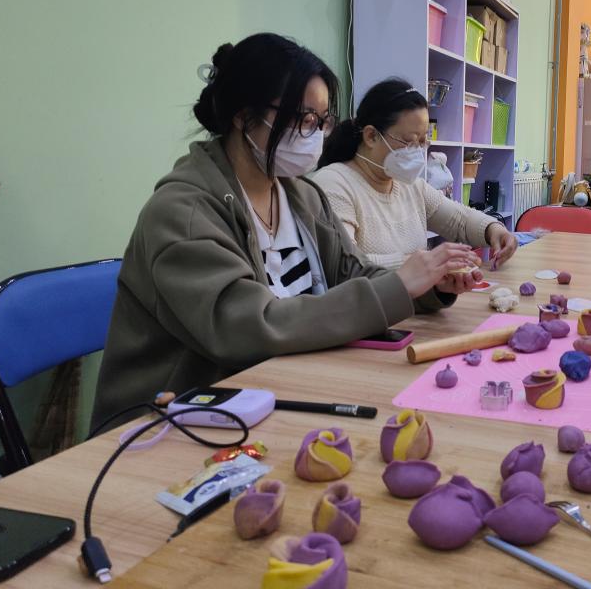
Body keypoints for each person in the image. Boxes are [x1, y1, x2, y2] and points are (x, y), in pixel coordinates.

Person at [92, 35, 482, 428]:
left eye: (322, 121)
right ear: (244, 115)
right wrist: (398, 286)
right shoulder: (183, 212)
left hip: (272, 392)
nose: (315, 134)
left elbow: (350, 274)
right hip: (172, 421)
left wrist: (425, 285)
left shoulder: (300, 195)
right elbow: (250, 327)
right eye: (304, 119)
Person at [314, 79, 518, 269]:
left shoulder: (409, 186)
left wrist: (494, 230)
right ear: (371, 136)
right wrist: (423, 263)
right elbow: (345, 265)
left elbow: (459, 221)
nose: (418, 151)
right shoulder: (334, 185)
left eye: (422, 141)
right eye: (409, 141)